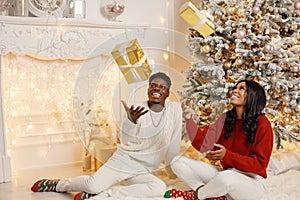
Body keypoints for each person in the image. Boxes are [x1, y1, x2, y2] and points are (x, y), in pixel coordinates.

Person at [30, 72, 182, 200]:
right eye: (153, 85)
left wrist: (172, 167)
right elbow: (126, 140)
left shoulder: (175, 110)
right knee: (92, 184)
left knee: (158, 187)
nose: (157, 88)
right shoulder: (137, 109)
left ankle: (107, 194)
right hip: (125, 160)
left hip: (143, 168)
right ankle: (59, 184)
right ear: (148, 89)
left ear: (168, 93)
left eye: (162, 87)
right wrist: (130, 121)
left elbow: (174, 141)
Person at [164, 79, 274, 200]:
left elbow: (259, 165)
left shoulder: (263, 123)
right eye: (235, 87)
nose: (235, 90)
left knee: (225, 178)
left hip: (252, 183)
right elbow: (203, 145)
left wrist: (227, 156)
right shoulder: (226, 119)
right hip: (226, 173)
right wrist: (189, 119)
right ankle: (207, 193)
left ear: (253, 95)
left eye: (241, 88)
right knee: (177, 161)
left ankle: (195, 196)